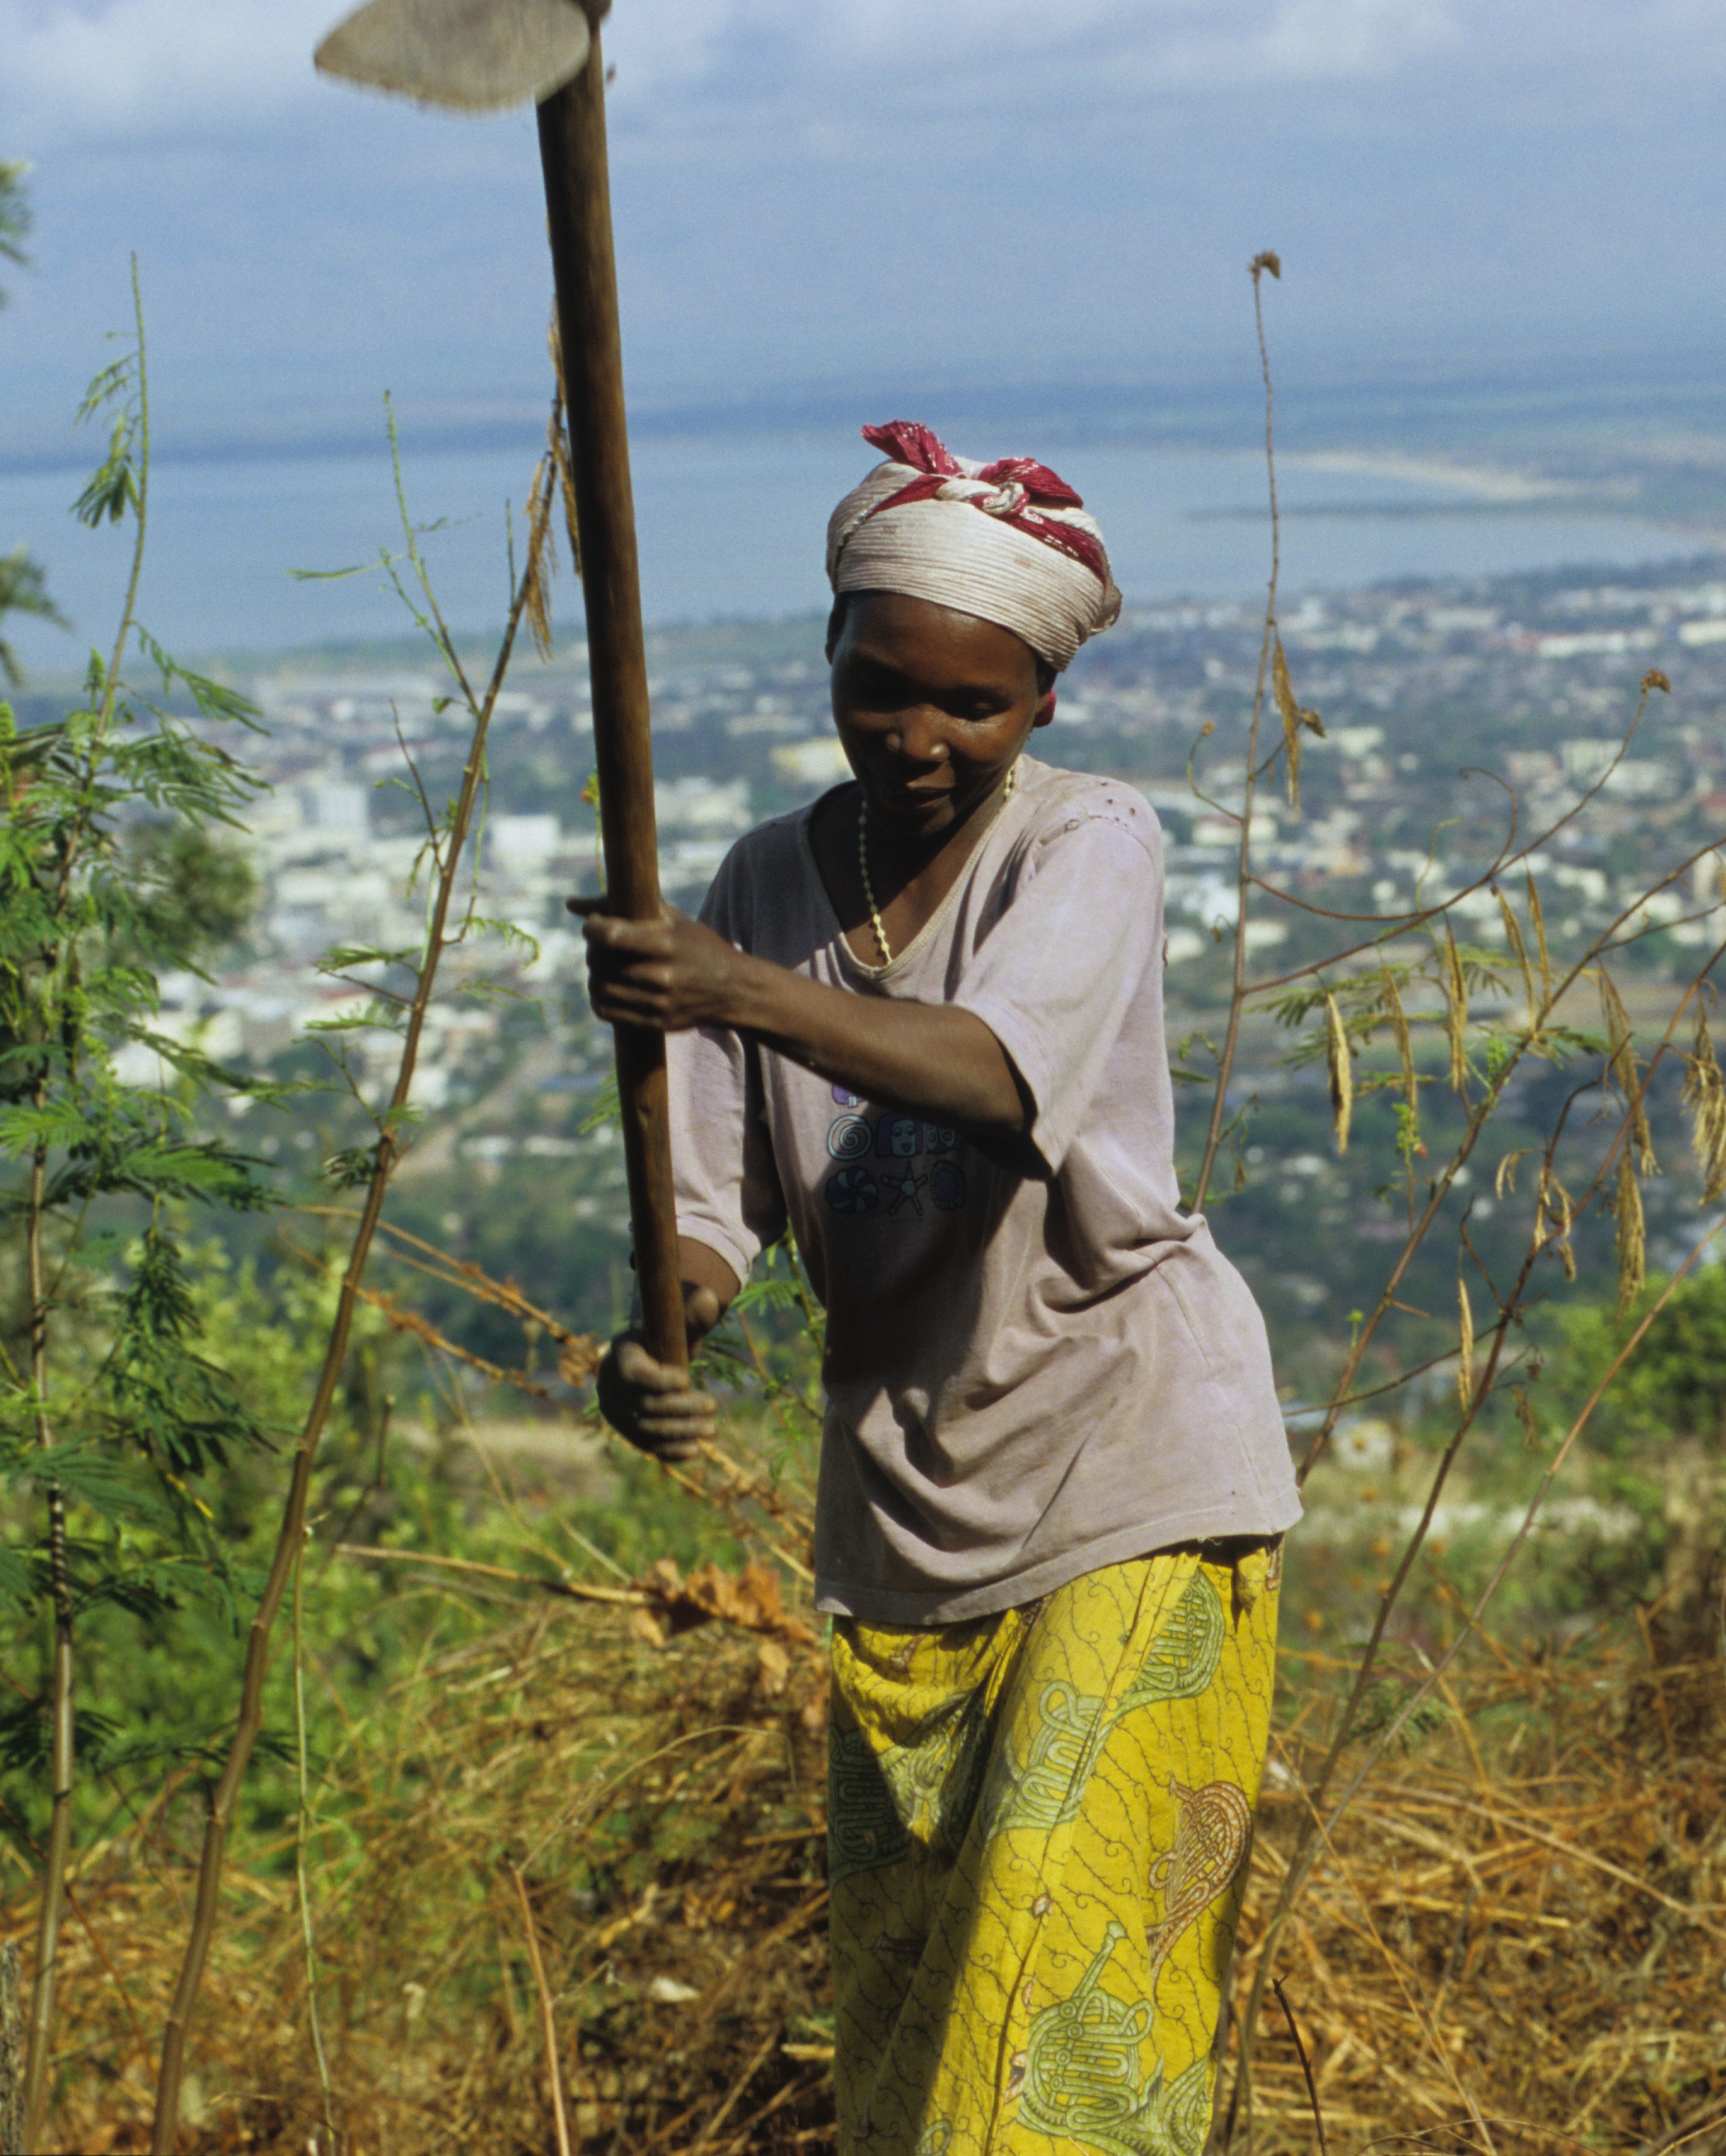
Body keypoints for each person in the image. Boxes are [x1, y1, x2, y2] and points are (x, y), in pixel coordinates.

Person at [579, 422, 1300, 2156]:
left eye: (970, 705)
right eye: (879, 687)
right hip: (909, 1507)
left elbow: (986, 1072)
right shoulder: (766, 882)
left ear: (1044, 700)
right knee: (914, 2039)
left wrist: (732, 990)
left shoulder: (1087, 843)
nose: (917, 739)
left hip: (1131, 1466)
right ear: (828, 657)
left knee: (1054, 1998)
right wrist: (658, 1337)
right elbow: (715, 1211)